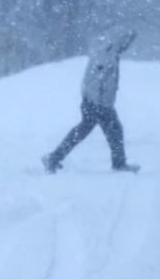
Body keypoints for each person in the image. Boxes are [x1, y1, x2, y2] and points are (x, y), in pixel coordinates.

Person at [43, 29, 138, 173]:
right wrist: (98, 103)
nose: (128, 45)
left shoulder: (110, 53)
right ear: (120, 40)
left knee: (88, 130)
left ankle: (54, 157)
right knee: (112, 131)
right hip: (98, 103)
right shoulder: (106, 55)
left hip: (98, 102)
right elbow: (95, 81)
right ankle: (119, 164)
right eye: (127, 41)